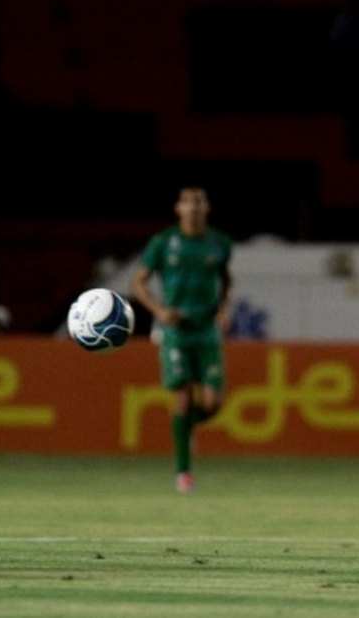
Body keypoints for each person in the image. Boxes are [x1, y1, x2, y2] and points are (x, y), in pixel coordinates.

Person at [131, 186, 233, 494]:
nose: (193, 207)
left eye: (198, 201)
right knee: (184, 398)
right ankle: (183, 473)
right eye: (187, 202)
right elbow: (138, 282)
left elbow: (226, 279)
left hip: (206, 331)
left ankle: (186, 427)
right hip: (175, 332)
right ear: (178, 208)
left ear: (207, 207)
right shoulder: (164, 243)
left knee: (213, 404)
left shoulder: (219, 243)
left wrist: (224, 308)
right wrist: (160, 311)